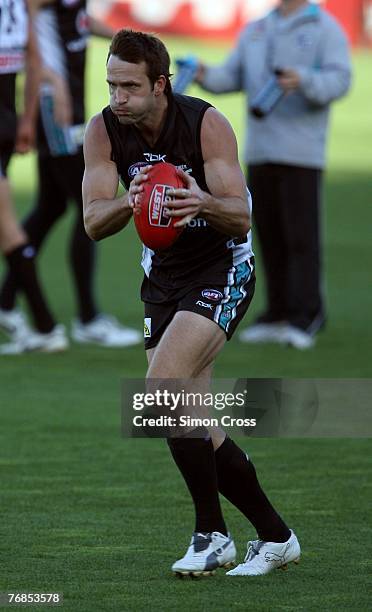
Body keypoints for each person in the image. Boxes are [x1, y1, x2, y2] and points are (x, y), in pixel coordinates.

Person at [82, 28, 301, 577]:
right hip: (163, 277)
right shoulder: (103, 131)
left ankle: (211, 535)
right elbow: (91, 220)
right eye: (111, 85)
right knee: (183, 410)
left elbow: (240, 214)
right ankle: (276, 537)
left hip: (222, 266)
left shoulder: (206, 124)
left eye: (129, 86)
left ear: (161, 83)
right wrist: (130, 203)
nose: (117, 98)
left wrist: (199, 200)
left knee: (161, 387)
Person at [191, 0, 352, 349]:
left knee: (301, 237)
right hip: (259, 151)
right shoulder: (257, 28)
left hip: (301, 152)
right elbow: (230, 76)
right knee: (268, 234)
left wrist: (305, 80)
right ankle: (277, 312)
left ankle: (306, 314)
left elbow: (341, 79)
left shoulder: (324, 27)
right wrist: (204, 73)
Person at [0, 0, 141, 348]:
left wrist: (124, 37)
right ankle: (87, 318)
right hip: (53, 103)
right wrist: (48, 78)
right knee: (89, 205)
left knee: (50, 207)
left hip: (67, 100)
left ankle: (5, 302)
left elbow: (75, 20)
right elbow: (28, 21)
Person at [0, 0, 68, 354]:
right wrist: (25, 120)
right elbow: (34, 59)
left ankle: (45, 326)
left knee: (7, 228)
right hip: (8, 120)